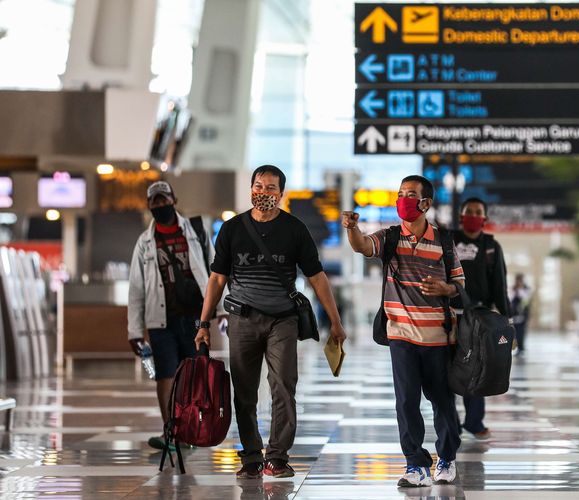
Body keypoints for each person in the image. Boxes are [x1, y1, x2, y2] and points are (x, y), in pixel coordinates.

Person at [194, 165, 347, 480]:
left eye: (271, 188)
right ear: (251, 189)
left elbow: (317, 277)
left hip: (283, 322)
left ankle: (276, 457)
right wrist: (203, 323)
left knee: (283, 387)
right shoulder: (233, 229)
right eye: (258, 186)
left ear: (281, 193)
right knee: (244, 392)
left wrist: (335, 320)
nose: (263, 193)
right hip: (242, 320)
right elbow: (217, 279)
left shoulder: (294, 230)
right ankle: (251, 456)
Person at [342, 175, 464, 488]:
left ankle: (447, 458)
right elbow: (362, 246)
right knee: (406, 401)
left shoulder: (445, 242)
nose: (403, 199)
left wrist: (444, 287)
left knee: (442, 401)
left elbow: (460, 286)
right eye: (400, 193)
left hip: (438, 336)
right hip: (401, 335)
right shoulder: (391, 237)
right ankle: (415, 464)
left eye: (410, 194)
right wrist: (352, 228)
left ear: (426, 203)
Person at [127, 181, 221, 450]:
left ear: (174, 200)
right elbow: (136, 289)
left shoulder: (195, 231)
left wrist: (223, 310)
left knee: (194, 375)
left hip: (195, 317)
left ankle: (191, 429)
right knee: (165, 374)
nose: (160, 205)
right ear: (149, 206)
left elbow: (217, 273)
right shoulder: (144, 242)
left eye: (163, 199)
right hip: (160, 320)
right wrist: (134, 331)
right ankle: (171, 432)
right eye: (155, 201)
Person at [451, 197, 510, 440]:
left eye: (478, 212)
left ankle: (474, 422)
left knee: (476, 368)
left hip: (480, 319)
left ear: (484, 218)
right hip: (449, 315)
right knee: (447, 370)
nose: (474, 216)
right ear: (461, 216)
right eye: (469, 212)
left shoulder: (491, 247)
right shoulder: (448, 241)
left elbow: (499, 284)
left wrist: (505, 320)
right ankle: (450, 423)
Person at [510, 273, 532, 353]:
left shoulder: (526, 289)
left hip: (522, 315)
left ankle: (521, 348)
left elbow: (526, 301)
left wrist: (520, 290)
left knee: (521, 332)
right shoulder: (513, 289)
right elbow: (510, 300)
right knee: (514, 332)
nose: (519, 282)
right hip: (514, 315)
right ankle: (516, 347)